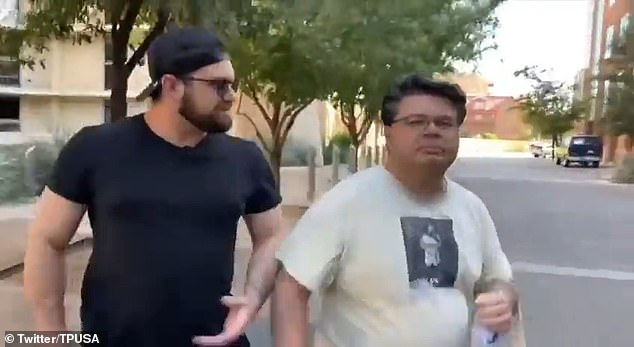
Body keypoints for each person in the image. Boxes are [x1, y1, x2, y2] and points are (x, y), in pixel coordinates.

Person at [23, 26, 285, 347]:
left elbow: (271, 234)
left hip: (216, 340)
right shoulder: (94, 149)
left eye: (233, 85)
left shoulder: (245, 159)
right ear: (172, 86)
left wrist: (254, 296)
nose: (230, 97)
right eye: (218, 86)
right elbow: (48, 240)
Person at [272, 74, 520, 347]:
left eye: (445, 123)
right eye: (416, 122)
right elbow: (290, 288)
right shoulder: (346, 202)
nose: (432, 130)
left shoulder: (472, 208)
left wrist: (502, 298)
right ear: (388, 133)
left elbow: (498, 280)